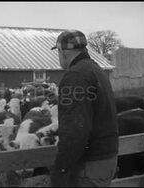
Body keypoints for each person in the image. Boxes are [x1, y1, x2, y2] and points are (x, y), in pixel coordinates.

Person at [50, 30, 118, 187]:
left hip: (90, 164)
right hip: (106, 158)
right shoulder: (97, 70)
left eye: (58, 52)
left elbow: (75, 128)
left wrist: (61, 169)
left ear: (63, 52)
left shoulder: (75, 77)